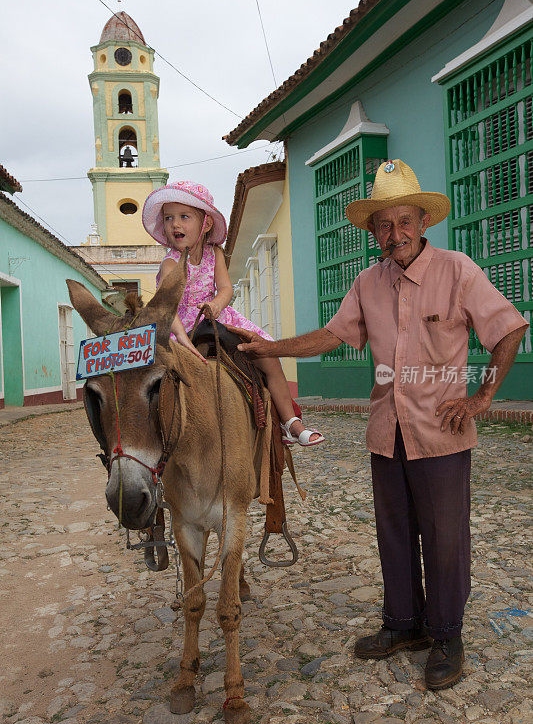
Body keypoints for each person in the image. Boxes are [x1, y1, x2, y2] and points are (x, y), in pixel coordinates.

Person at [234, 160, 528, 690]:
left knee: (444, 537)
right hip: (386, 431)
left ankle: (445, 634)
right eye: (384, 225)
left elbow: (507, 328)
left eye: (405, 221)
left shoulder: (458, 271)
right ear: (373, 231)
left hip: (441, 432)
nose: (396, 234)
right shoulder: (367, 282)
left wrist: (483, 395)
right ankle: (404, 625)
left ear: (423, 221)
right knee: (393, 535)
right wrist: (270, 348)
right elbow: (331, 336)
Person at [141, 180, 324, 446]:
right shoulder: (169, 264)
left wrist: (215, 305)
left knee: (267, 353)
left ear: (205, 224)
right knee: (154, 380)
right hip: (179, 326)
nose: (175, 224)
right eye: (168, 218)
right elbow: (166, 307)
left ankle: (290, 422)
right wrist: (182, 338)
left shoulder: (214, 254)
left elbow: (225, 288)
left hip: (216, 319)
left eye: (184, 217)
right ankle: (153, 441)